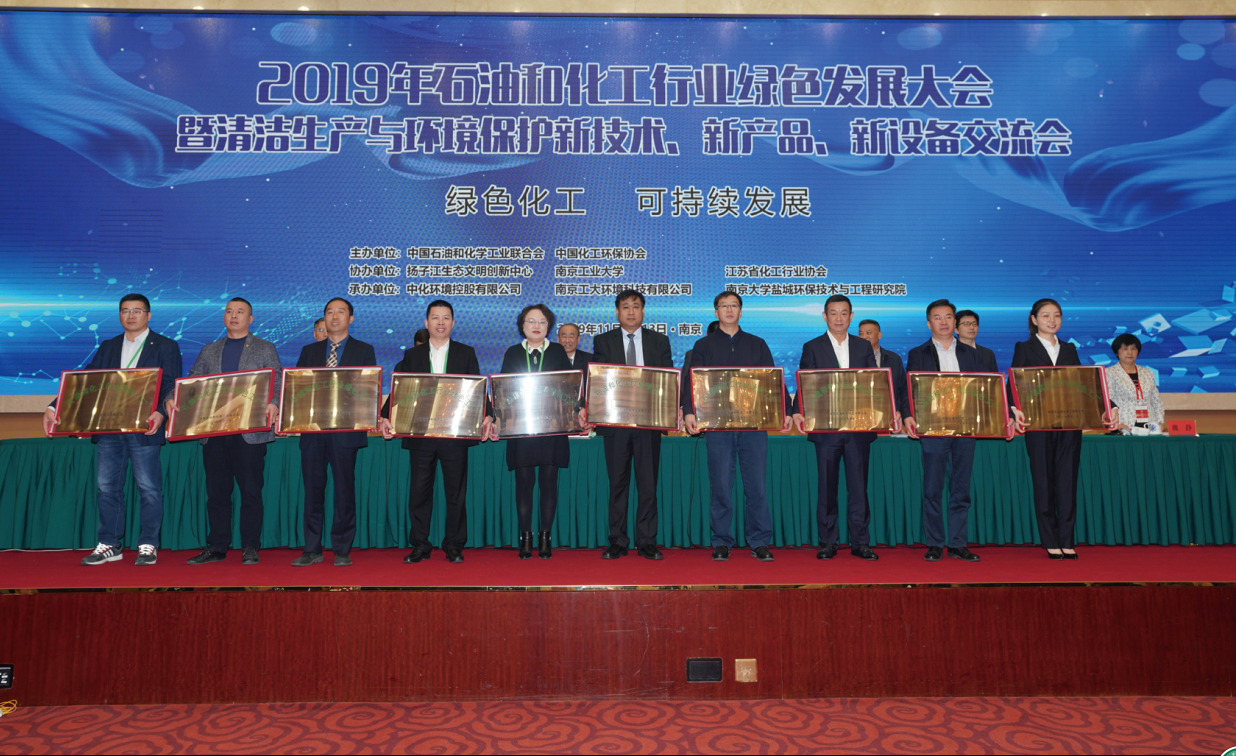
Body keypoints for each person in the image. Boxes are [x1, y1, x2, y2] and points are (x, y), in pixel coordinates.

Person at [43, 293, 181, 566]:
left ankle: (148, 544)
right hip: (108, 427)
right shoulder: (109, 346)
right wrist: (54, 406)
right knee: (107, 488)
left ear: (148, 315)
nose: (131, 315)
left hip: (145, 427)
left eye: (137, 310)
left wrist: (161, 413)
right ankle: (109, 543)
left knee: (149, 488)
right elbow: (86, 381)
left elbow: (170, 383)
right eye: (125, 311)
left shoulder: (166, 345)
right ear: (119, 315)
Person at [167, 298, 281, 565]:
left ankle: (250, 546)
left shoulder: (264, 347)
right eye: (229, 311)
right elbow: (192, 380)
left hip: (249, 433)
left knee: (250, 491)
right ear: (224, 317)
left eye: (240, 312)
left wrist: (275, 402)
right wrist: (171, 397)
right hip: (215, 432)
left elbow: (276, 380)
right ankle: (217, 546)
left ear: (250, 319)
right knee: (217, 493)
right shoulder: (210, 350)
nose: (234, 315)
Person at [683, 292, 792, 562]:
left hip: (753, 425)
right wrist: (689, 412)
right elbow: (691, 382)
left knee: (756, 486)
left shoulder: (757, 344)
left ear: (741, 312)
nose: (729, 310)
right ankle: (721, 541)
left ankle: (760, 541)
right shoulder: (703, 345)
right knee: (720, 485)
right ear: (716, 312)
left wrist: (786, 411)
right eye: (724, 306)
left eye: (734, 306)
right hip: (717, 426)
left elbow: (773, 380)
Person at [791, 295, 900, 561]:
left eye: (843, 313)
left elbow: (875, 383)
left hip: (858, 428)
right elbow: (806, 384)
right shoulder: (812, 347)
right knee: (827, 488)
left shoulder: (863, 346)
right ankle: (828, 542)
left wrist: (889, 410)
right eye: (833, 313)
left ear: (851, 316)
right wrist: (796, 410)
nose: (838, 318)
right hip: (826, 429)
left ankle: (860, 542)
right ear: (825, 316)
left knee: (858, 488)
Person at [380, 300, 490, 564]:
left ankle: (454, 545)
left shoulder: (466, 353)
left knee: (456, 493)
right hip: (421, 435)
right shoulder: (412, 355)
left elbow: (477, 388)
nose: (440, 322)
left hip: (455, 435)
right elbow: (398, 389)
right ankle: (420, 544)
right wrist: (384, 416)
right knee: (419, 492)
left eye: (446, 317)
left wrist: (488, 414)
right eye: (435, 317)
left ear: (453, 322)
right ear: (426, 322)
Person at [1011, 298, 1118, 560]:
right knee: (1043, 482)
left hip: (1070, 424)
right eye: (1045, 315)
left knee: (1067, 482)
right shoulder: (1024, 347)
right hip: (1038, 426)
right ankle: (1050, 540)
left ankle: (1067, 539)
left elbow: (1086, 382)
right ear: (1034, 319)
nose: (1052, 320)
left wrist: (1109, 406)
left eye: (1056, 315)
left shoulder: (1069, 348)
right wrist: (1014, 409)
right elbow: (1014, 382)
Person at [580, 289, 674, 560]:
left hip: (648, 424)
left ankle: (646, 541)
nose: (631, 312)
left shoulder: (659, 341)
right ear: (617, 312)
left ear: (643, 311)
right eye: (625, 307)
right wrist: (587, 407)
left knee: (647, 485)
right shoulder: (604, 341)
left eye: (635, 306)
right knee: (618, 484)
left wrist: (673, 409)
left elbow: (667, 380)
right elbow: (597, 380)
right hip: (616, 425)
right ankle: (618, 541)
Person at [292, 297, 376, 567]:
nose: (335, 316)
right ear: (325, 318)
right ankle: (312, 548)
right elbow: (298, 390)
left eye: (341, 312)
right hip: (313, 431)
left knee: (344, 490)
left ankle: (341, 548)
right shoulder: (309, 351)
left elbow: (368, 391)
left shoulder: (364, 350)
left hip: (345, 432)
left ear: (350, 319)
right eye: (330, 312)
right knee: (312, 491)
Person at [902, 300, 985, 563]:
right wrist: (908, 415)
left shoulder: (972, 353)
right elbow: (909, 388)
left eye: (948, 317)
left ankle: (958, 543)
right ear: (929, 324)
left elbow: (986, 389)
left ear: (955, 321)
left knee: (961, 489)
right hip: (933, 427)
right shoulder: (919, 353)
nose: (944, 322)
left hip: (966, 426)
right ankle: (935, 543)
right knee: (933, 488)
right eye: (937, 318)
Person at [493, 304, 573, 559]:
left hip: (552, 428)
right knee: (524, 483)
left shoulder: (558, 351)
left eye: (542, 321)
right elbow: (502, 391)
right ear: (522, 325)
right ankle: (525, 537)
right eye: (531, 321)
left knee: (549, 483)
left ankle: (545, 537)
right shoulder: (513, 352)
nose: (536, 326)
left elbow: (570, 387)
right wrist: (497, 419)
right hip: (521, 428)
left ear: (549, 326)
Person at [1105, 334, 1165, 434]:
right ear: (1117, 352)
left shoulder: (1148, 373)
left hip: (1150, 426)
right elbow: (1107, 402)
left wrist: (1160, 422)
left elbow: (1156, 401)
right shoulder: (1109, 373)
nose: (1130, 352)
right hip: (1124, 426)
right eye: (1125, 348)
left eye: (1133, 348)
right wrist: (1117, 424)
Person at [857, 319, 908, 422]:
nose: (864, 336)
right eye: (861, 333)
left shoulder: (893, 359)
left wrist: (899, 411)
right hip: (860, 414)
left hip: (890, 415)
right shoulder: (853, 358)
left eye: (868, 333)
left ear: (879, 335)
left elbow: (902, 390)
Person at [681, 321, 719, 437]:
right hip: (699, 411)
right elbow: (685, 384)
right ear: (706, 336)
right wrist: (686, 410)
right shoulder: (693, 354)